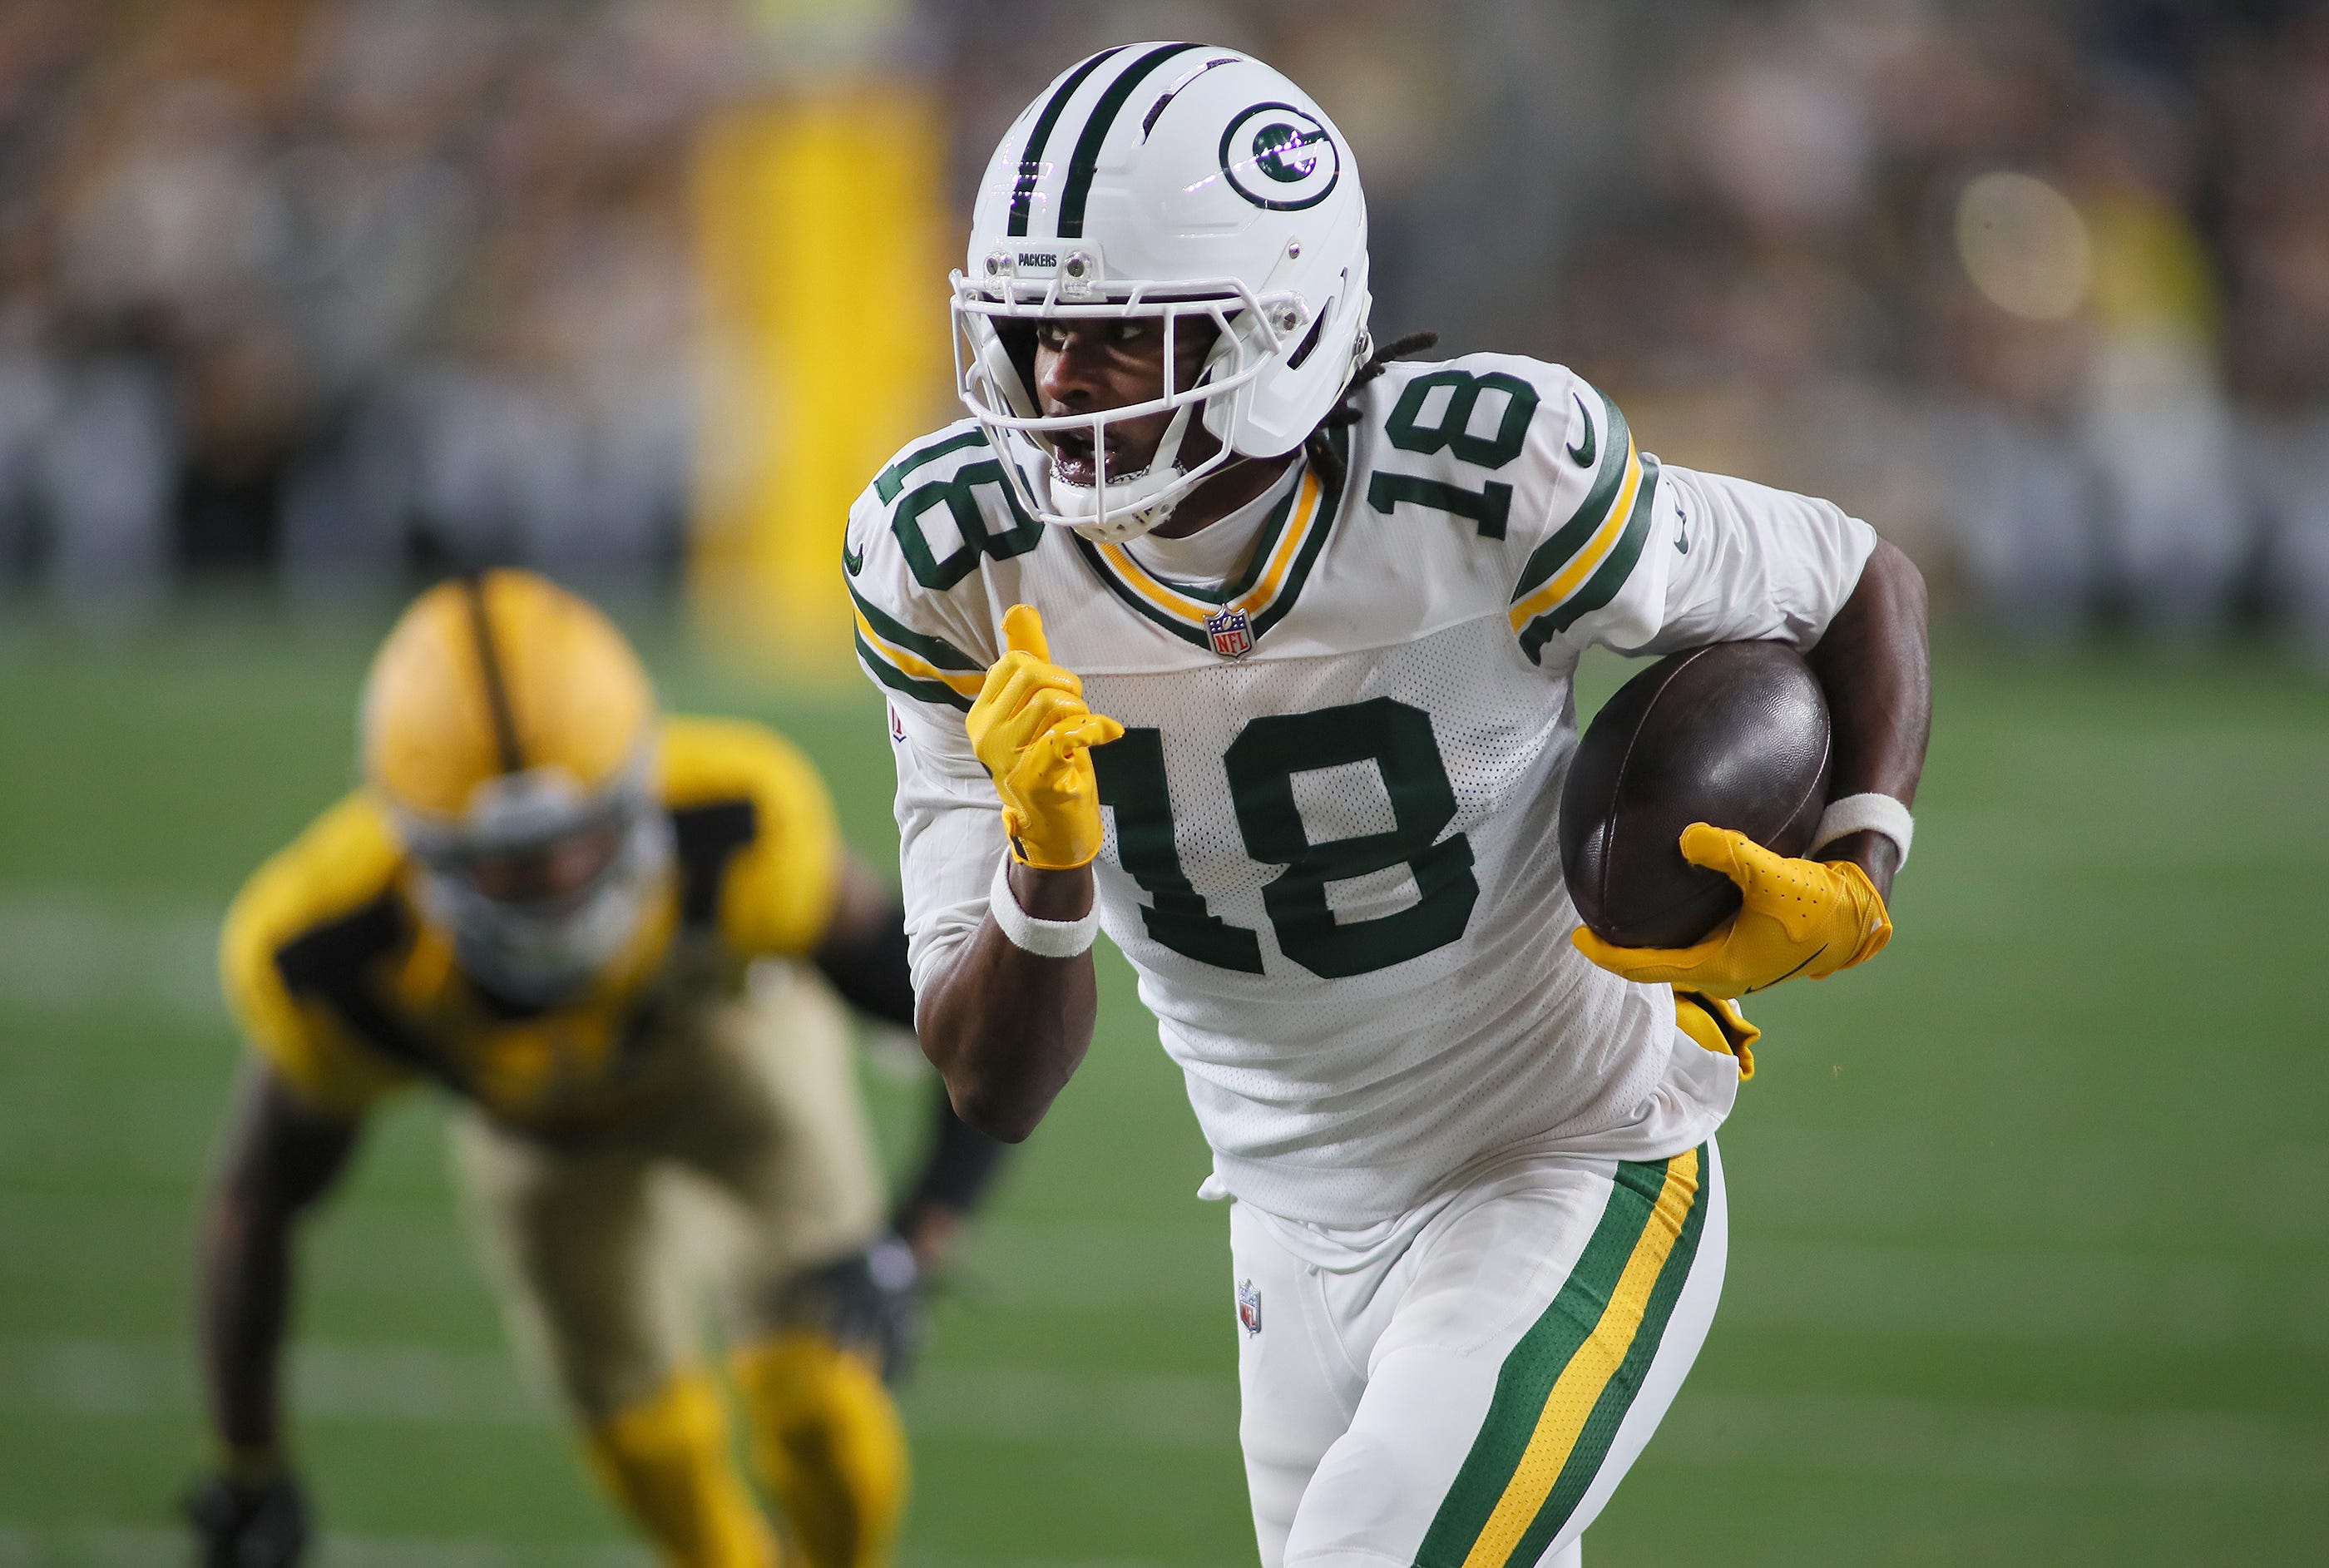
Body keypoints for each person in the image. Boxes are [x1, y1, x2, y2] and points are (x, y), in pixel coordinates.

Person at [848, 43, 1929, 1568]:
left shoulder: (1492, 483)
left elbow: (1854, 574)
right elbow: (991, 1086)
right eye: (1030, 330)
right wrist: (1045, 868)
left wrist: (1864, 842)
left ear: (1275, 327)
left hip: (1565, 1156)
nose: (1056, 382)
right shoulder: (955, 562)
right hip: (1286, 1232)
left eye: (1116, 334)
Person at [189, 569, 1004, 1568]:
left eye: (580, 837)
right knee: (642, 1436)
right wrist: (249, 1459)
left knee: (821, 1400)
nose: (557, 880)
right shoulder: (331, 949)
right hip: (538, 1135)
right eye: (509, 857)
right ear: (413, 843)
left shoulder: (740, 819)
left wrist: (911, 1238)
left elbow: (970, 1031)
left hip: (730, 1058)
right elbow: (253, 1206)